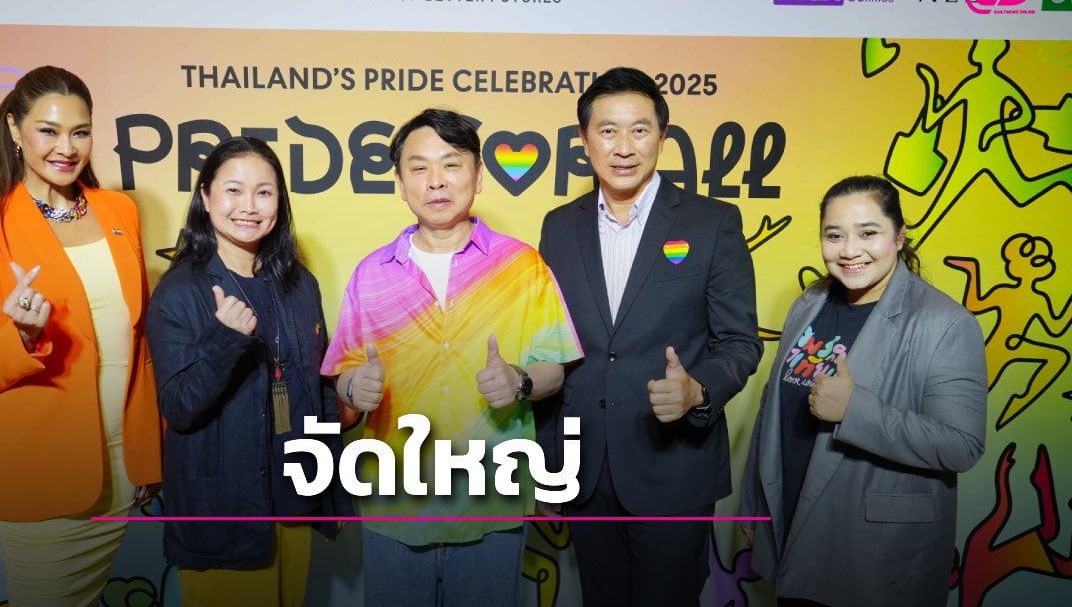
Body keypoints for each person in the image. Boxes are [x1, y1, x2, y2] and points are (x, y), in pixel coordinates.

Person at [322, 108, 583, 606]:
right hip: (395, 497)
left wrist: (520, 381)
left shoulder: (521, 265)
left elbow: (555, 370)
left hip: (491, 497)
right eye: (419, 167)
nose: (436, 181)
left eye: (451, 164)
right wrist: (355, 387)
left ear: (478, 176)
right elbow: (344, 377)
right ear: (400, 183)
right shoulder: (371, 274)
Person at [538, 66, 762, 606]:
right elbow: (551, 349)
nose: (623, 147)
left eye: (639, 130)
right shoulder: (558, 227)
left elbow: (740, 342)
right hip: (585, 470)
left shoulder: (712, 222)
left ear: (663, 136)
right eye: (607, 130)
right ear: (584, 139)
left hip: (673, 468)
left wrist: (697, 390)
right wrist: (549, 465)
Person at [0, 65, 162, 605]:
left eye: (80, 132)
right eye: (48, 130)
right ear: (15, 130)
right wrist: (23, 335)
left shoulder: (119, 210)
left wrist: (152, 445)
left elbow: (138, 342)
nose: (66, 148)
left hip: (124, 467)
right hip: (45, 472)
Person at [740, 175, 987, 607]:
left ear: (899, 235)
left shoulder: (945, 322)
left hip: (873, 555)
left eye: (868, 233)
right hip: (792, 529)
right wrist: (754, 506)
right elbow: (770, 413)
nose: (849, 250)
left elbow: (961, 445)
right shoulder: (809, 303)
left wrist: (854, 410)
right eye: (834, 235)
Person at [146, 136, 351, 607]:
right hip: (224, 510)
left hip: (294, 496)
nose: (249, 206)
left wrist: (331, 491)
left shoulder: (300, 284)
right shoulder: (181, 290)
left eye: (264, 192)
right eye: (233, 190)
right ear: (205, 197)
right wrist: (224, 340)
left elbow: (319, 391)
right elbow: (179, 408)